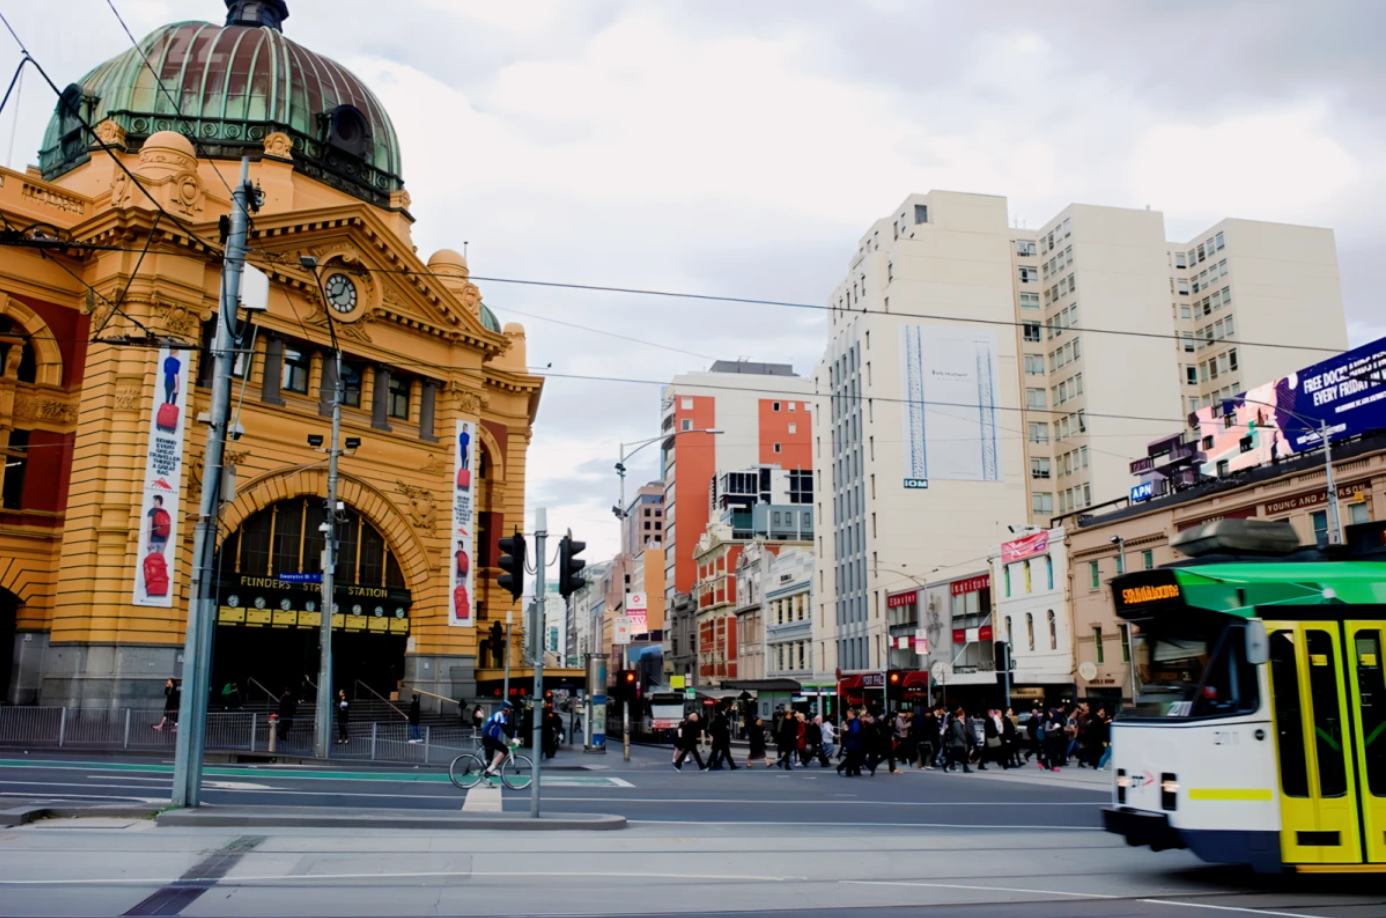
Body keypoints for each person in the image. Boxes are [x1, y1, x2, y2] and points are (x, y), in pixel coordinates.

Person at [481, 701, 515, 775]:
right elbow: (504, 729)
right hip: (489, 738)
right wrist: (513, 738)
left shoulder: (502, 716)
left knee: (489, 762)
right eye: (509, 709)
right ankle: (490, 769)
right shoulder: (499, 715)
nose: (510, 711)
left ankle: (487, 775)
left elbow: (507, 728)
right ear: (505, 709)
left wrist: (512, 736)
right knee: (505, 749)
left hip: (489, 738)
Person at [707, 703, 738, 770]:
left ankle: (732, 766)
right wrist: (712, 735)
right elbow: (717, 724)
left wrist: (731, 710)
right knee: (716, 753)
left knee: (724, 753)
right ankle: (708, 765)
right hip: (720, 738)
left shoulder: (722, 714)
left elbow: (727, 716)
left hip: (721, 738)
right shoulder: (719, 715)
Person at [837, 708, 864, 776]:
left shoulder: (855, 721)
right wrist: (845, 730)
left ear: (851, 714)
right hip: (850, 742)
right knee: (852, 756)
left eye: (848, 714)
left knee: (854, 756)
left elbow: (855, 731)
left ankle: (853, 770)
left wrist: (847, 729)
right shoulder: (847, 721)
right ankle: (850, 771)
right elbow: (845, 731)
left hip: (855, 741)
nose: (847, 715)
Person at [948, 706, 972, 773]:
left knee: (955, 755)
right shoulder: (957, 723)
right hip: (958, 742)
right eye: (963, 715)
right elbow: (959, 733)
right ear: (960, 715)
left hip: (957, 742)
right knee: (962, 756)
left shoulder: (959, 722)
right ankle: (965, 768)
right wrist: (964, 740)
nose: (964, 716)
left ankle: (964, 768)